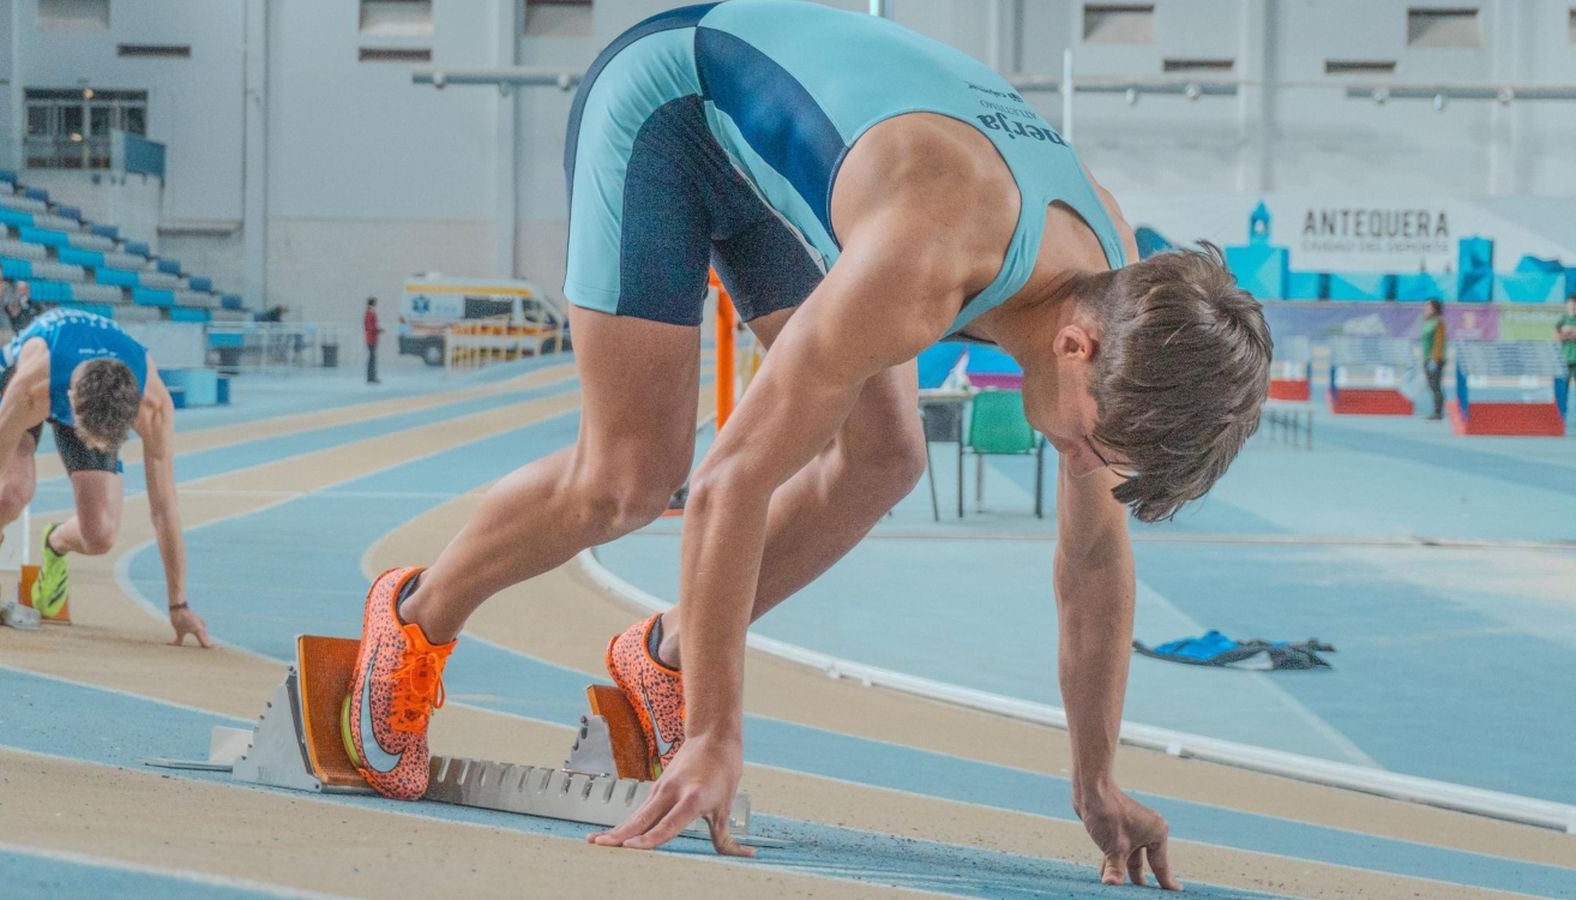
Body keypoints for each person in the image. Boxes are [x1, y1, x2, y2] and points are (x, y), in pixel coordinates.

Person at [339, 2, 1270, 889]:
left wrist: (1094, 781)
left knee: (884, 457)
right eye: (1093, 446)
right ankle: (415, 618)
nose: (1087, 468)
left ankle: (663, 656)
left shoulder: (1122, 313)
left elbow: (1094, 560)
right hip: (672, 107)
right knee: (631, 480)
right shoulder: (929, 258)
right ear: (1078, 345)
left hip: (800, 167)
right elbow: (730, 481)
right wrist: (716, 734)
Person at [0, 307, 211, 647]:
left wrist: (179, 604)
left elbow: (164, 507)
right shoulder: (30, 387)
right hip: (20, 374)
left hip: (90, 389)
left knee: (99, 534)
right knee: (8, 494)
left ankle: (54, 543)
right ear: (70, 402)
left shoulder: (153, 405)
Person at [1419, 299, 1447, 420]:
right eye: (1425, 307)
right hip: (1427, 358)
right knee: (1431, 385)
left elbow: (1439, 342)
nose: (1426, 309)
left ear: (1435, 309)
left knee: (1436, 385)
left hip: (1435, 359)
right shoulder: (1426, 322)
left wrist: (1434, 359)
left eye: (1429, 307)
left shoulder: (1438, 323)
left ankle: (1438, 412)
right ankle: (1436, 410)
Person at [1558, 294, 1576, 412]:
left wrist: (1568, 333)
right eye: (1571, 304)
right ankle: (1562, 412)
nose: (1572, 306)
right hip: (1565, 358)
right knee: (1563, 388)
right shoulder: (1563, 319)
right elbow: (1558, 336)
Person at [364, 297, 381, 385]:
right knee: (372, 358)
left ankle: (370, 376)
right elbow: (371, 327)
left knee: (372, 358)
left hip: (370, 338)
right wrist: (377, 330)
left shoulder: (368, 313)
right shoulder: (371, 313)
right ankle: (371, 377)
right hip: (372, 339)